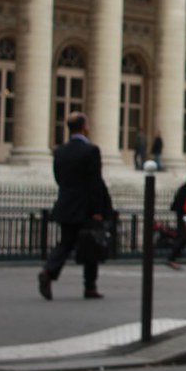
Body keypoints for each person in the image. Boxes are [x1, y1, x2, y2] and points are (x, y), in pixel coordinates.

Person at [37, 112, 113, 300]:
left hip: (66, 204)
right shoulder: (91, 151)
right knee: (91, 246)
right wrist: (97, 210)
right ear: (84, 127)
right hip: (86, 207)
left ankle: (48, 271)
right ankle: (90, 286)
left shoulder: (60, 151)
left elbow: (58, 177)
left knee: (66, 243)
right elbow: (95, 182)